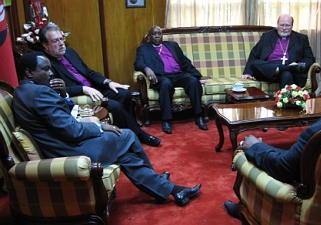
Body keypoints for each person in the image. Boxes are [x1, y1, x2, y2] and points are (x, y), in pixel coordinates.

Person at [13, 51, 201, 206]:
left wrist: (63, 95)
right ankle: (162, 183)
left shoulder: (21, 91)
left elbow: (63, 118)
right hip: (68, 150)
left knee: (125, 155)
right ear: (29, 73)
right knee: (126, 135)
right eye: (45, 70)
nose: (51, 73)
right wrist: (99, 126)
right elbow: (73, 131)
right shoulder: (40, 93)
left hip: (60, 144)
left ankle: (169, 190)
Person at [224, 63, 321, 219]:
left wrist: (255, 147)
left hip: (317, 207)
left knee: (246, 152)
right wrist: (263, 147)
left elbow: (284, 169)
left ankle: (244, 208)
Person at [37, 23, 161, 147]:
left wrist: (108, 82)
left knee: (124, 94)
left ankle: (125, 133)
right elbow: (55, 89)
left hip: (95, 87)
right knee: (115, 106)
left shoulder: (69, 52)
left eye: (61, 39)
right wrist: (83, 89)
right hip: (82, 94)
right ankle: (137, 135)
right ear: (45, 45)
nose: (61, 43)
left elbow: (88, 71)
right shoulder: (45, 64)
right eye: (55, 41)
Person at [134, 25, 210, 134]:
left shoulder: (172, 45)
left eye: (159, 34)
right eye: (153, 34)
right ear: (149, 36)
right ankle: (166, 120)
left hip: (179, 74)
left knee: (193, 81)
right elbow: (138, 63)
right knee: (165, 84)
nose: (157, 36)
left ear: (162, 35)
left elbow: (185, 62)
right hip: (162, 76)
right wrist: (147, 69)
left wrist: (198, 76)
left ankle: (199, 116)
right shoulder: (143, 49)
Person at [241, 14, 316, 89]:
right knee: (254, 63)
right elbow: (255, 54)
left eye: (287, 25)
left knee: (287, 74)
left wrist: (297, 64)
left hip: (290, 71)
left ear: (292, 26)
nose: (284, 28)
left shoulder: (301, 39)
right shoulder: (267, 36)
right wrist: (248, 73)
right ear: (277, 25)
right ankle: (285, 68)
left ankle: (282, 99)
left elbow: (310, 58)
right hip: (268, 70)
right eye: (281, 25)